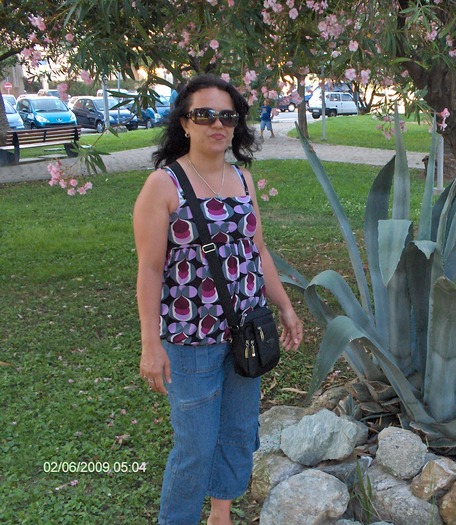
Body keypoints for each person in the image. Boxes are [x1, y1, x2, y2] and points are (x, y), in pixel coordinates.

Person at [133, 74, 303, 525]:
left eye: (227, 116)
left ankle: (221, 514)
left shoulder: (243, 180)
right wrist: (151, 345)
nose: (217, 124)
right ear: (184, 123)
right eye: (203, 114)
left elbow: (257, 250)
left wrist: (284, 306)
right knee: (195, 446)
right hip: (190, 341)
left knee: (237, 431)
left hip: (247, 332)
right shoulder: (163, 186)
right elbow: (149, 271)